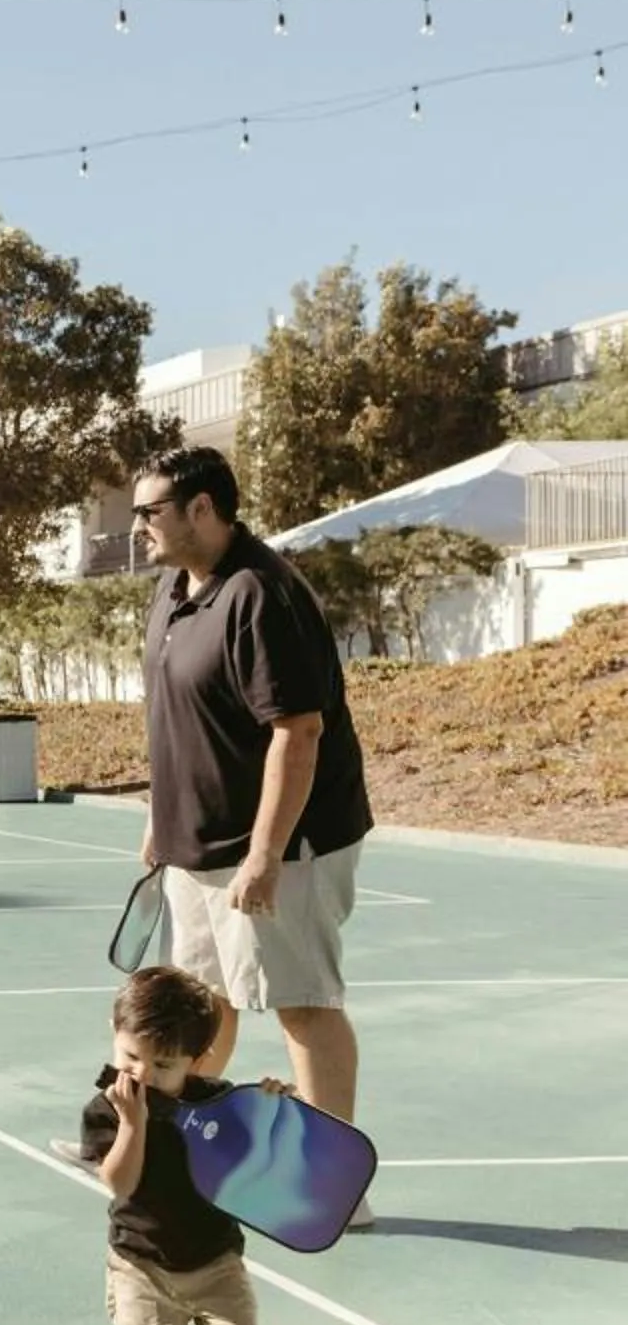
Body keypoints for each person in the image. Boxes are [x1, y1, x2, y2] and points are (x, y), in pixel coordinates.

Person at [105, 443, 378, 1227]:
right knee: (201, 1005)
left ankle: (334, 1187)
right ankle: (171, 1149)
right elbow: (176, 717)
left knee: (300, 1003)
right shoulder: (175, 592)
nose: (138, 528)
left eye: (150, 511)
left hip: (283, 847)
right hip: (196, 844)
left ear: (203, 509)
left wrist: (263, 855)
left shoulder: (262, 594)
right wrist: (162, 818)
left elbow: (297, 733)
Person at [83, 966, 291, 1325]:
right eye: (131, 1056)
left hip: (216, 1259)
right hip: (141, 1259)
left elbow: (258, 1164)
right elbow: (121, 1184)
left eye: (163, 1064)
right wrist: (134, 1125)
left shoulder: (218, 1104)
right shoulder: (107, 1109)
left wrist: (270, 1114)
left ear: (197, 1062)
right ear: (114, 1033)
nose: (143, 1074)